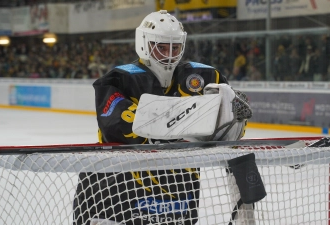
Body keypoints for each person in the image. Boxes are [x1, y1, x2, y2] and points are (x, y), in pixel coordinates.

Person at [73, 10, 251, 225]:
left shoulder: (205, 77)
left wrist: (232, 119)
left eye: (174, 47)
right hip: (117, 192)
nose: (169, 54)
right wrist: (192, 120)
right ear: (145, 44)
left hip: (180, 192)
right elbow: (121, 127)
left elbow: (228, 127)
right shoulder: (119, 79)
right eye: (161, 47)